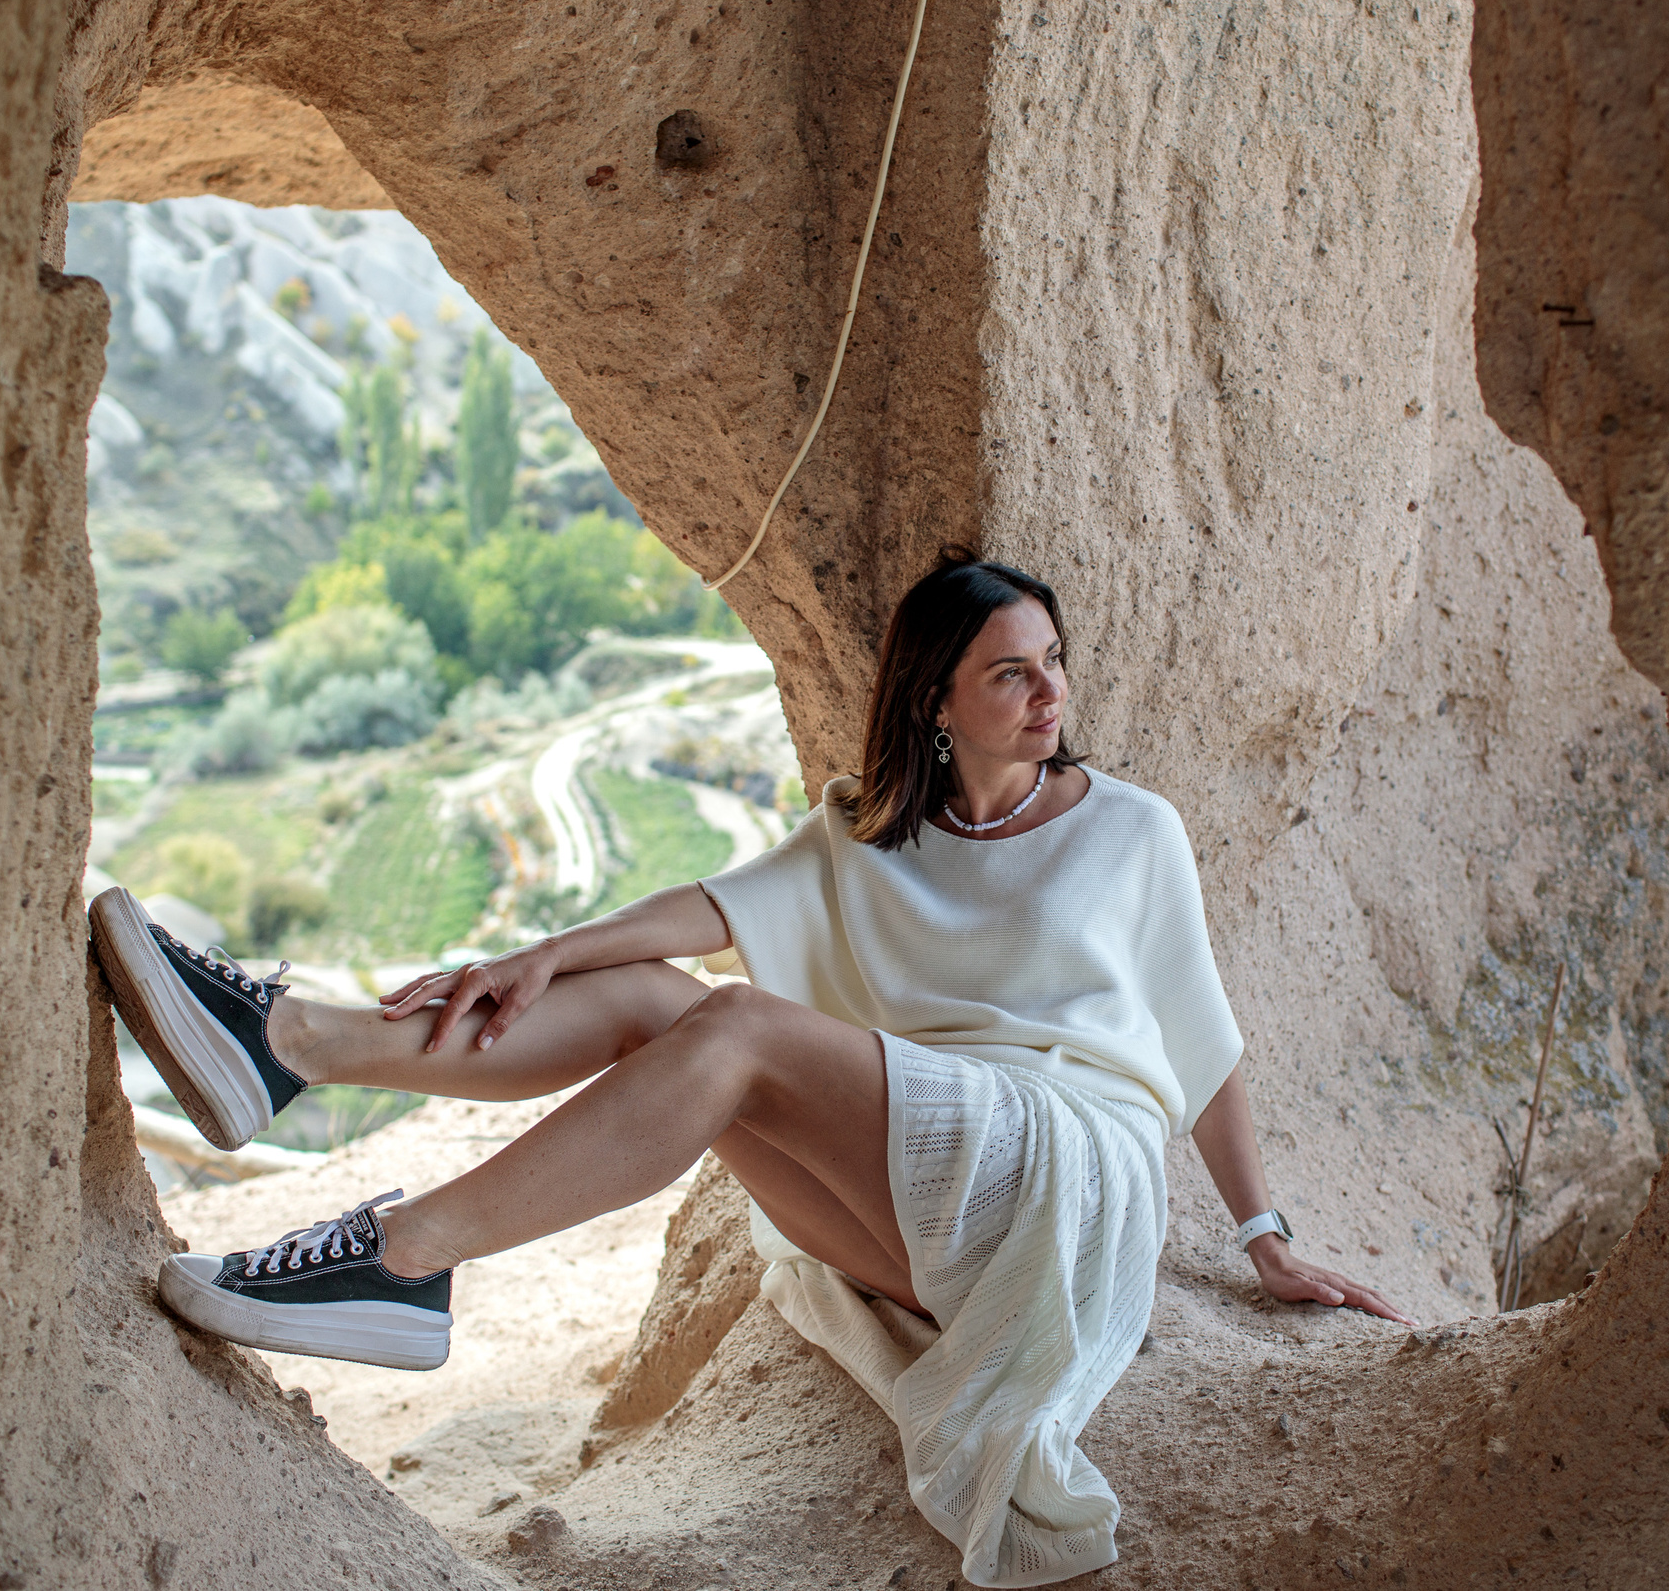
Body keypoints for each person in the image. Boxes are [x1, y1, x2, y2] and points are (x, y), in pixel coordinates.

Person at [92, 552, 1408, 1588]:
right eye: (1011, 673)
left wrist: (1264, 1232)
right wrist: (545, 951)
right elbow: (707, 910)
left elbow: (1201, 1042)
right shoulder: (873, 830)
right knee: (660, 1001)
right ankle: (295, 1046)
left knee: (729, 1030)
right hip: (922, 1197)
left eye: (1052, 661)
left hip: (1066, 1177)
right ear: (935, 703)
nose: (1051, 693)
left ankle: (406, 1257)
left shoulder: (1130, 829)